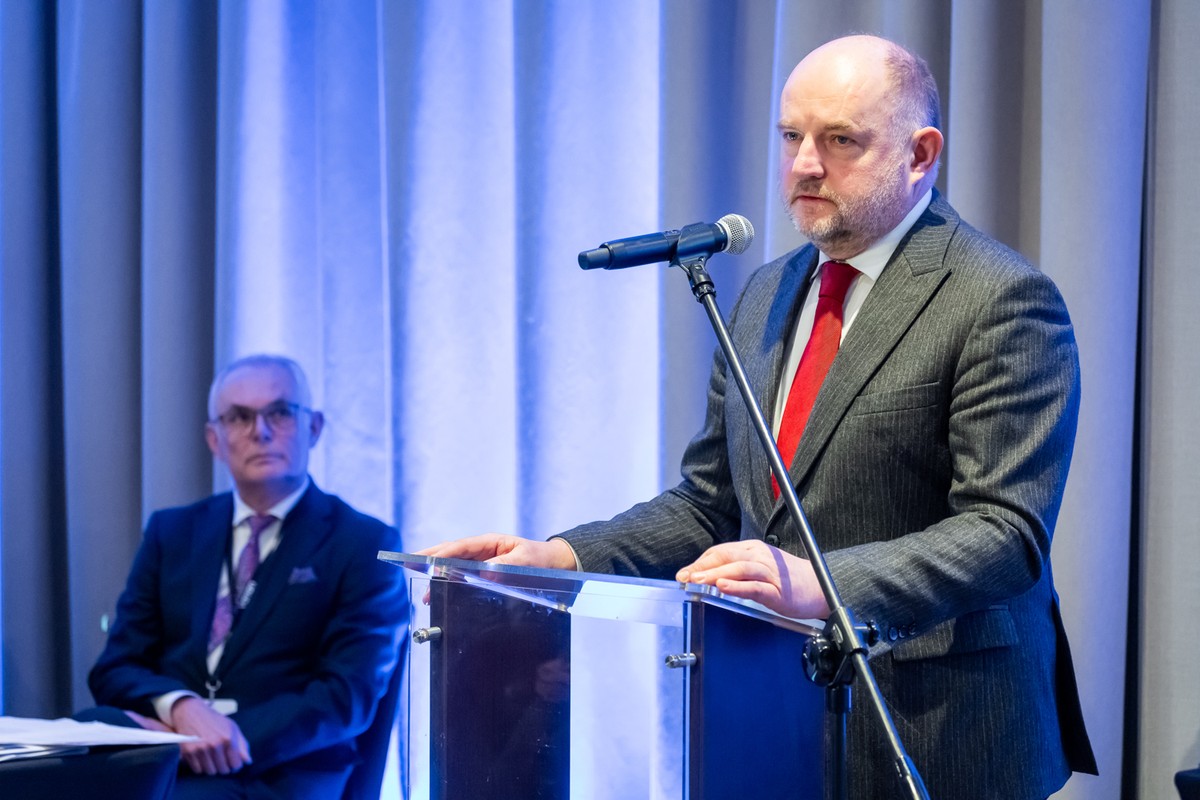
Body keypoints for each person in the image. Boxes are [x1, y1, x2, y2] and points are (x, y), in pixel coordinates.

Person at [421, 34, 1098, 799]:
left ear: (920, 154)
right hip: (775, 718)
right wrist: (563, 558)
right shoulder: (765, 294)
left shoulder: (999, 299)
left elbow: (1005, 534)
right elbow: (711, 504)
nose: (805, 164)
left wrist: (822, 584)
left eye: (840, 140)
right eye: (791, 136)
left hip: (941, 729)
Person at [86, 354, 406, 799]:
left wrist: (219, 740)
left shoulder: (362, 542)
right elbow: (116, 668)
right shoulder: (171, 532)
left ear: (314, 428)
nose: (261, 431)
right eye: (239, 417)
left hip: (280, 772)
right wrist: (181, 708)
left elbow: (345, 696)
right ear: (214, 439)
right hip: (164, 756)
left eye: (280, 412)